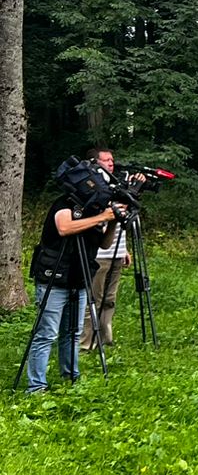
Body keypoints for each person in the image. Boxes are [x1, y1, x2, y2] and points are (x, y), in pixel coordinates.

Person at [26, 192, 118, 393]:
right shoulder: (65, 203)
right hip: (55, 277)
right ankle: (36, 386)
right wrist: (103, 217)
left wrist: (113, 221)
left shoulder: (94, 210)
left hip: (79, 279)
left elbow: (104, 243)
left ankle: (70, 378)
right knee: (46, 334)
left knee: (73, 333)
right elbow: (64, 228)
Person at [79, 146, 141, 351]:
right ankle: (86, 342)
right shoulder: (94, 189)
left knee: (109, 298)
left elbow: (121, 222)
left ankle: (106, 337)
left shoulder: (117, 188)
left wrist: (124, 249)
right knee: (93, 299)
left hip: (116, 251)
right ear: (95, 163)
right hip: (99, 253)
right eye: (106, 160)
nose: (111, 164)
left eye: (112, 160)